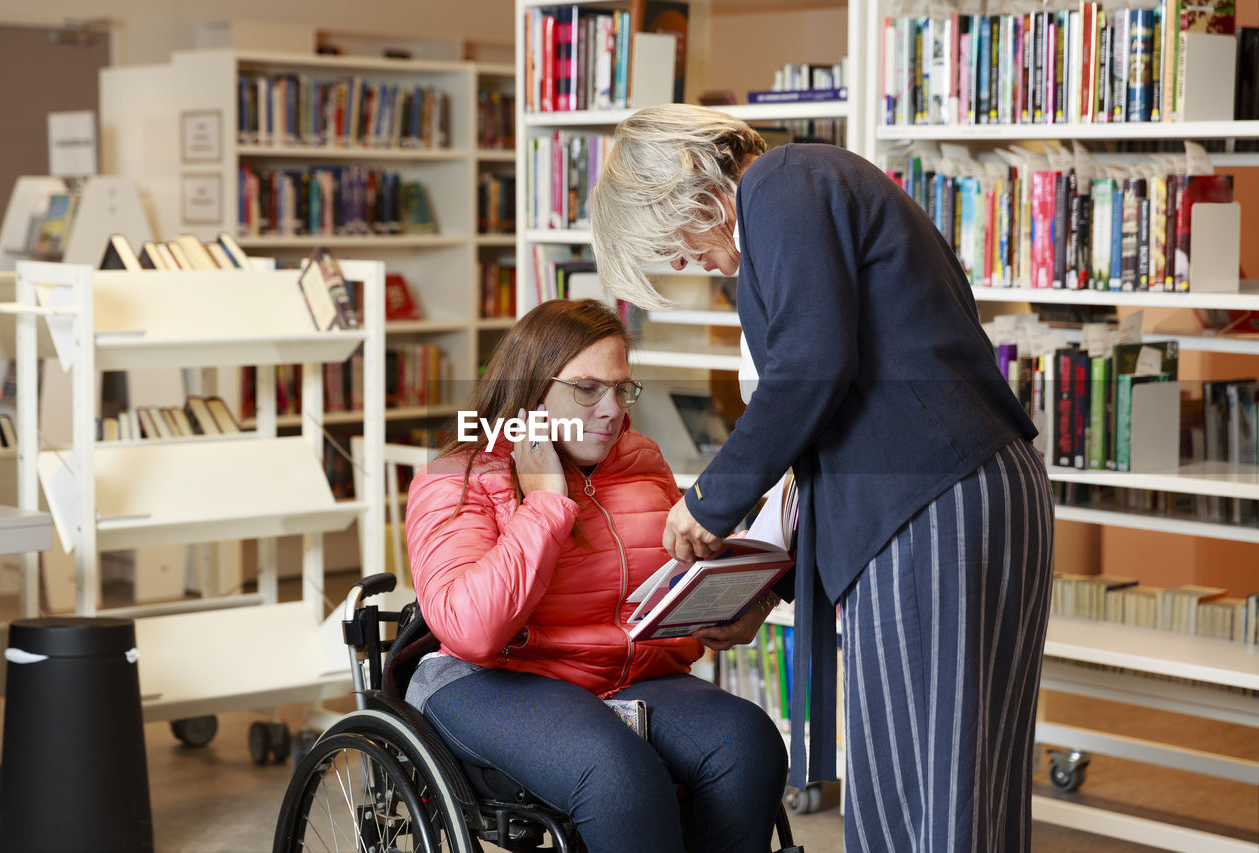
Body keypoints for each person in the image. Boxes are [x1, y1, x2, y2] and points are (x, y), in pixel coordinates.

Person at [590, 104, 1055, 852]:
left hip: (930, 501)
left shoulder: (780, 181)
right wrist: (761, 589)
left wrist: (710, 501)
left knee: (923, 794)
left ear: (683, 186)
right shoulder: (804, 192)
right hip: (955, 493)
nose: (684, 261)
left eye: (671, 241)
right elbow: (829, 431)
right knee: (954, 789)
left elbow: (810, 369)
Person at [402, 298, 788, 853]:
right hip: (493, 679)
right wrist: (545, 503)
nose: (610, 410)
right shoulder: (457, 478)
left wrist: (738, 596)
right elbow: (472, 631)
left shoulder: (640, 458)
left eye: (621, 389)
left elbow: (671, 578)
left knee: (748, 742)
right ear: (532, 391)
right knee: (619, 778)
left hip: (625, 675)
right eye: (587, 389)